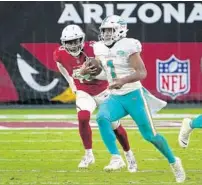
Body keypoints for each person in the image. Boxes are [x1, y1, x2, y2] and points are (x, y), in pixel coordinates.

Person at [91, 15, 186, 183]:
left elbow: (142, 72)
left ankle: (174, 161)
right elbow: (103, 68)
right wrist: (90, 70)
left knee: (150, 136)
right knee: (101, 118)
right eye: (104, 30)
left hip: (134, 96)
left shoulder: (129, 45)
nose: (106, 34)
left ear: (120, 30)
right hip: (115, 97)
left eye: (110, 30)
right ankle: (116, 158)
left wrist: (123, 80)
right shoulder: (99, 47)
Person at [53, 24, 137, 172]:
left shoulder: (96, 48)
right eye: (70, 42)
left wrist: (92, 73)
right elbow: (62, 66)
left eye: (76, 41)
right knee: (83, 117)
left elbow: (109, 71)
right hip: (84, 92)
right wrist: (72, 82)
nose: (73, 45)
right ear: (63, 43)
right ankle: (89, 154)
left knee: (114, 125)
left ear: (82, 39)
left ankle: (128, 153)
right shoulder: (59, 54)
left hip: (103, 90)